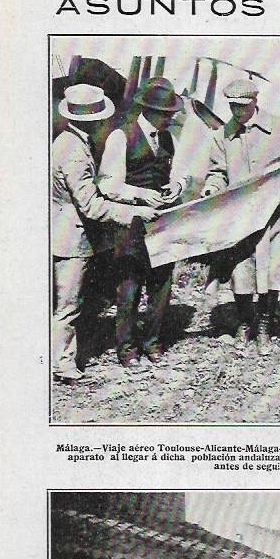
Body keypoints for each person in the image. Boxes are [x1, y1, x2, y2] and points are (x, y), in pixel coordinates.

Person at [52, 85, 154, 383]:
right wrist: (133, 213)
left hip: (64, 232)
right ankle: (62, 363)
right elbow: (90, 205)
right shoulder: (74, 152)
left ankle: (63, 357)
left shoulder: (66, 141)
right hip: (70, 238)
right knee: (68, 305)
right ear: (92, 120)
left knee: (69, 302)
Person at [201, 79, 280, 355]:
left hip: (277, 214)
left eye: (243, 106)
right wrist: (212, 188)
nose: (237, 111)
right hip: (242, 216)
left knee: (273, 271)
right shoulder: (221, 135)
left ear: (255, 102)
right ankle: (245, 321)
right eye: (233, 106)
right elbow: (217, 172)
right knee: (241, 268)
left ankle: (265, 323)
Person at [98, 76, 188, 370]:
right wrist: (140, 196)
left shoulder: (169, 138)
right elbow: (108, 185)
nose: (170, 119)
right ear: (149, 111)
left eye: (172, 114)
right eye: (166, 114)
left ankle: (153, 343)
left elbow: (179, 174)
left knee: (161, 284)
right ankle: (127, 349)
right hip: (131, 223)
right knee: (129, 287)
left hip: (161, 223)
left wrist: (175, 187)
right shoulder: (121, 137)